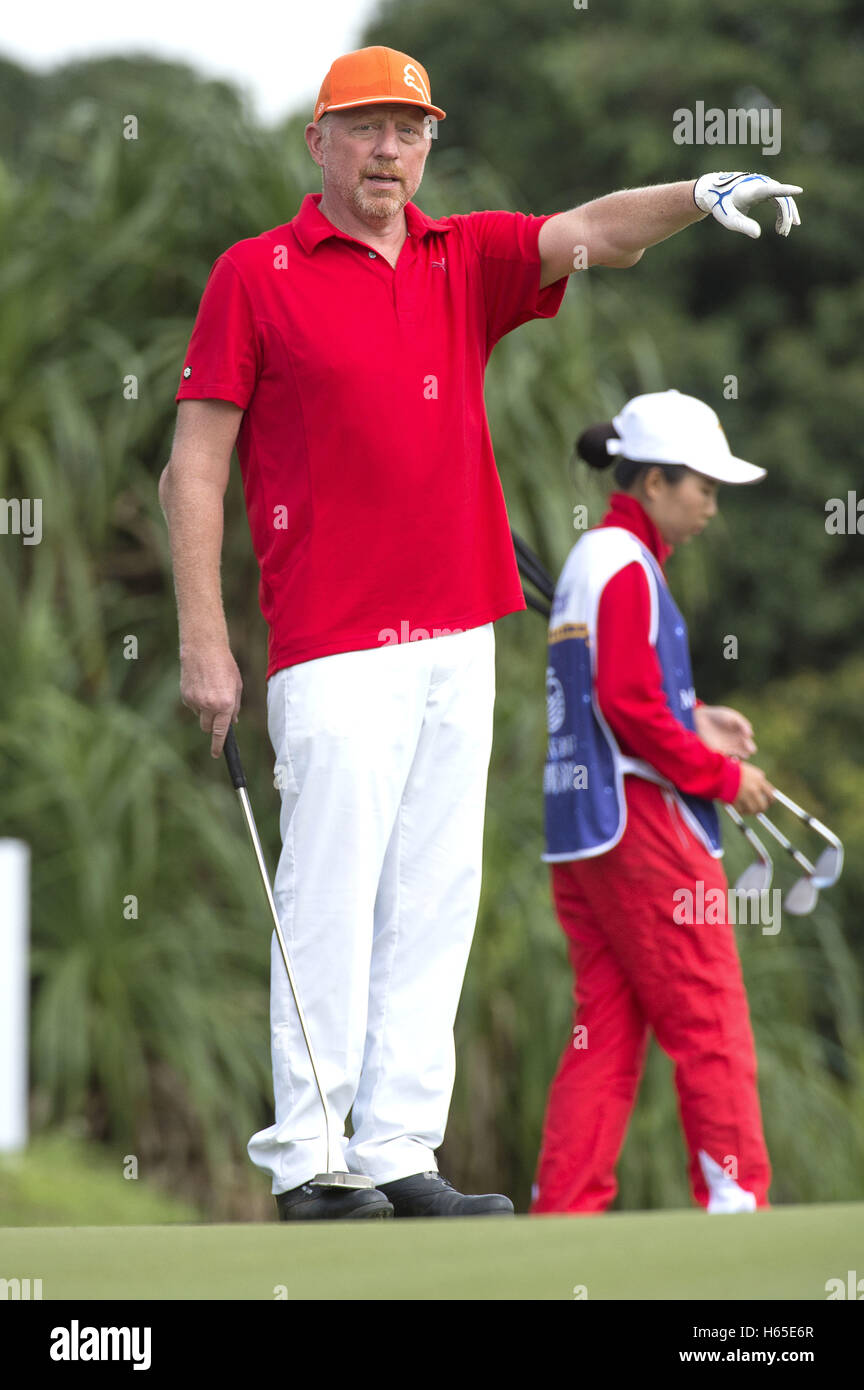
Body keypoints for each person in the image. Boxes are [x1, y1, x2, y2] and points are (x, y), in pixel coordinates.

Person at [158, 41, 802, 1220]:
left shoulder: (467, 256)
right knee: (329, 896)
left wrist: (700, 194)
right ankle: (311, 1162)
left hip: (460, 634)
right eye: (364, 129)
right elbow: (192, 469)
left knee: (434, 895)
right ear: (321, 143)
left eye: (407, 130)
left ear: (428, 145)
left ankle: (402, 1151)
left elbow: (595, 230)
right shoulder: (259, 273)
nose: (388, 149)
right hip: (333, 640)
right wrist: (206, 639)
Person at [531, 389, 776, 1216]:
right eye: (702, 484)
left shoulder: (597, 559)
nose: (712, 502)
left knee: (604, 1032)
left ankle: (562, 1215)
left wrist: (696, 718)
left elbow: (622, 696)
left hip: (583, 833)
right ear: (655, 482)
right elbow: (632, 712)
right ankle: (737, 1202)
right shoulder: (626, 566)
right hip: (644, 829)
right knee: (711, 1018)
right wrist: (721, 776)